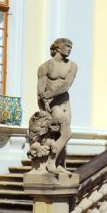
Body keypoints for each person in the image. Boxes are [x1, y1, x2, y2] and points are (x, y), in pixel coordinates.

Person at [37, 38, 78, 174]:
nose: (70, 49)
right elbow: (40, 91)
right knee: (66, 133)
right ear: (58, 48)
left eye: (71, 47)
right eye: (68, 46)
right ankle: (51, 162)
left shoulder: (72, 66)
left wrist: (49, 95)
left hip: (65, 103)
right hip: (53, 106)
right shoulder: (45, 67)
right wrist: (44, 106)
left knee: (63, 134)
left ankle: (59, 164)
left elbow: (66, 85)